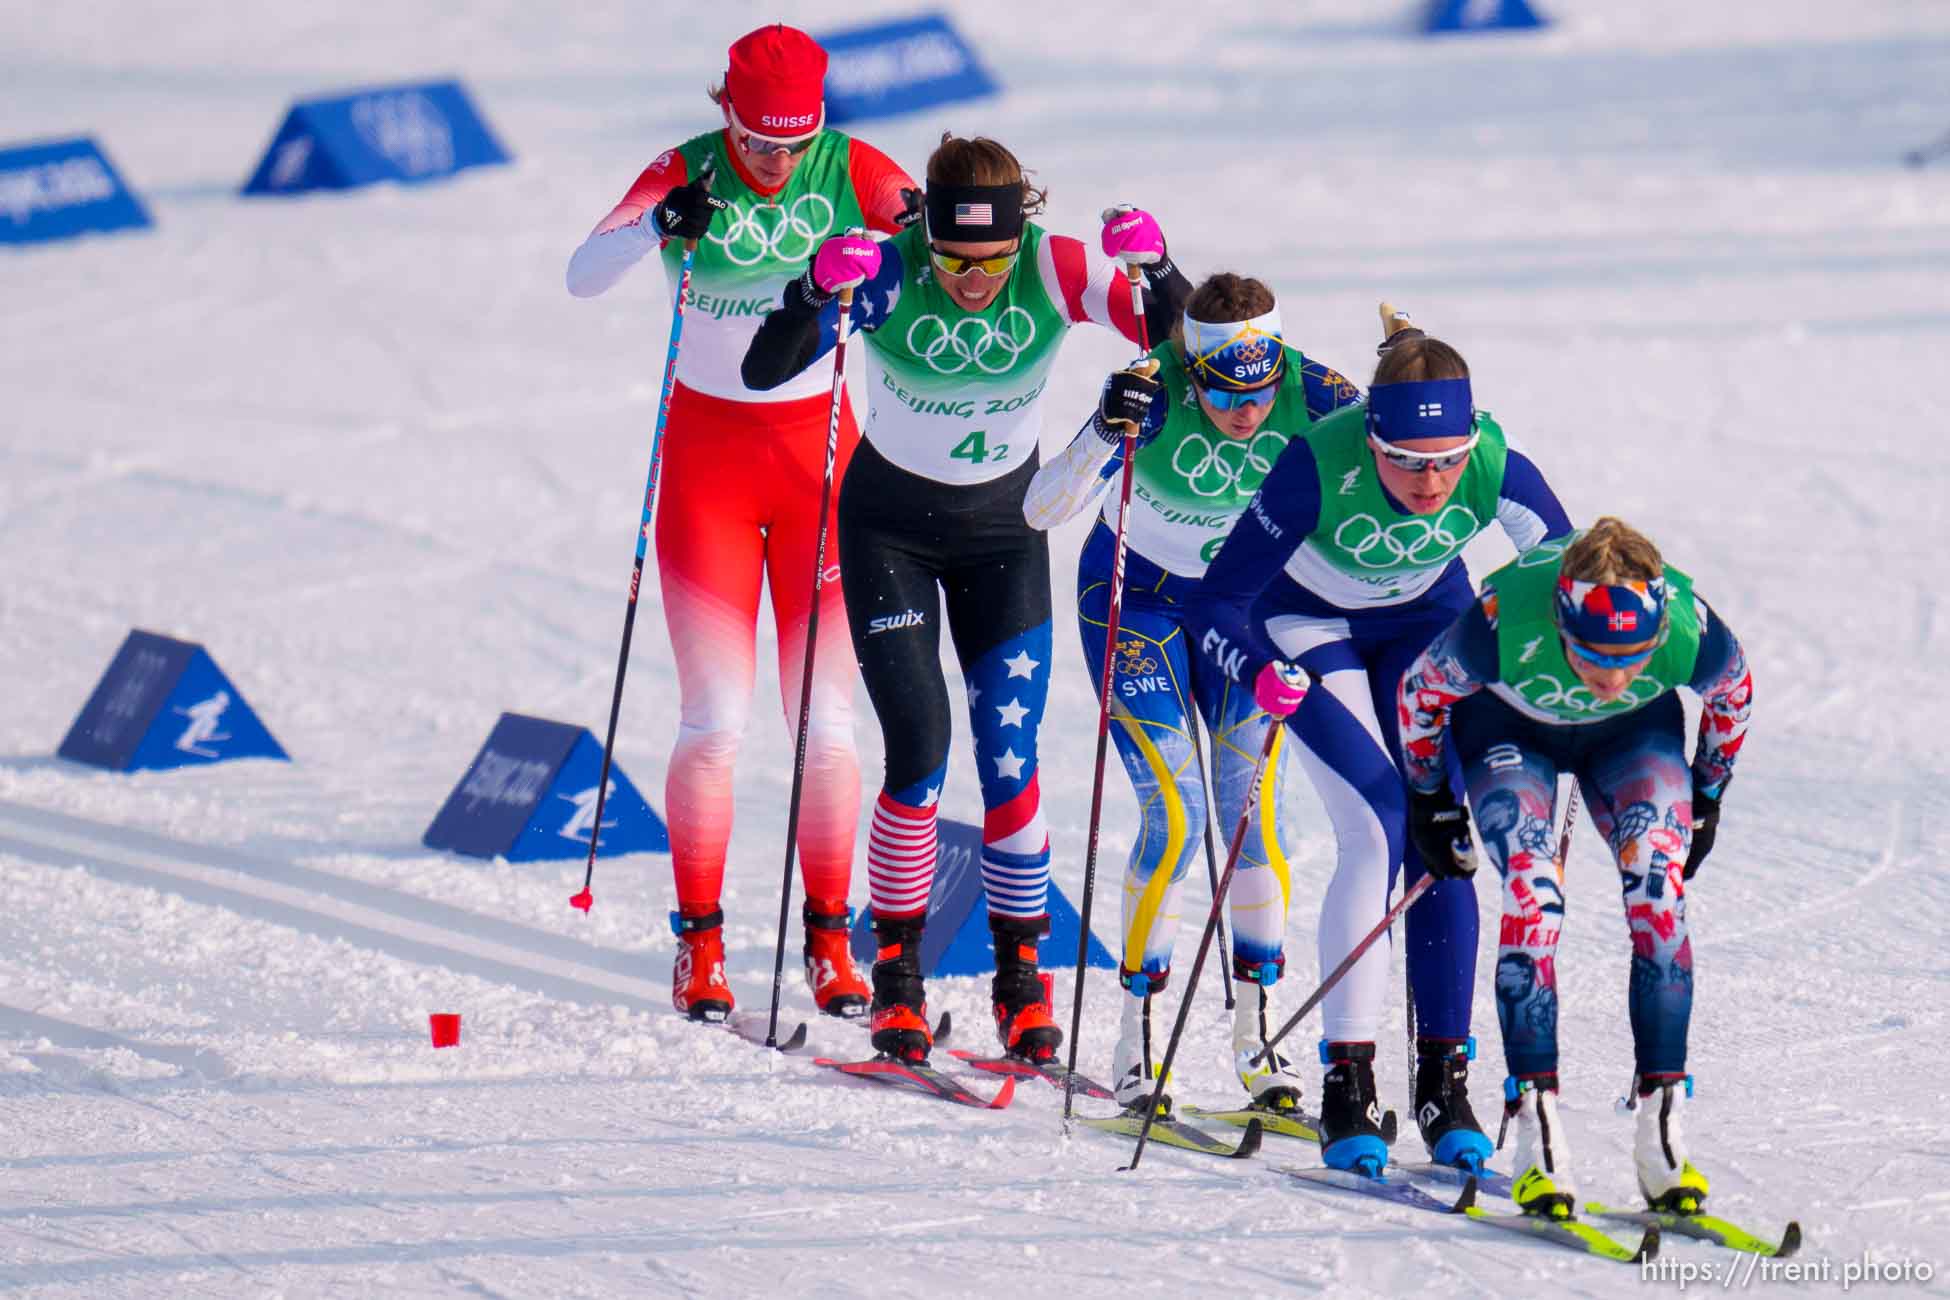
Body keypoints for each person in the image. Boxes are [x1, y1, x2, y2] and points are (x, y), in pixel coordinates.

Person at [742, 132, 1189, 1064]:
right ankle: (897, 981)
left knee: (1012, 764)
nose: (973, 278)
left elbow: (1181, 346)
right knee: (920, 751)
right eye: (953, 258)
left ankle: (1020, 987)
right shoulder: (891, 270)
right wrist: (814, 290)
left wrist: (1158, 269)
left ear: (1020, 232)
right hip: (888, 533)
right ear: (927, 234)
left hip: (1006, 534)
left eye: (990, 260)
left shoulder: (1057, 268)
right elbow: (764, 369)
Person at [565, 24, 920, 1024]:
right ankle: (701, 943)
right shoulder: (683, 167)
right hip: (709, 471)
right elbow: (581, 274)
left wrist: (904, 236)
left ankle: (832, 941)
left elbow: (932, 236)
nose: (775, 164)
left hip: (821, 466)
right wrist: (655, 224)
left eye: (792, 145)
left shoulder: (847, 165)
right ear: (727, 111)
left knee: (828, 726)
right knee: (717, 723)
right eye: (759, 143)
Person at [1185, 308, 1572, 1172]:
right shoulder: (1313, 465)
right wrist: (1255, 673)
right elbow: (1213, 603)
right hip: (1307, 624)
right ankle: (1346, 1086)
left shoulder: (1497, 462)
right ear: (1371, 441)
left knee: (1444, 833)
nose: (1429, 484)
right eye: (1402, 463)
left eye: (1445, 463)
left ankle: (1444, 1081)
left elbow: (1562, 567)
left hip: (1422, 622)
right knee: (1377, 819)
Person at [1022, 273, 1362, 1109]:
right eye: (1223, 392)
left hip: (1244, 613)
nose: (1246, 411)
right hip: (1138, 602)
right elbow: (1041, 509)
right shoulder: (1152, 387)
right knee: (1173, 820)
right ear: (1189, 363)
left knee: (1253, 818)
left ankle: (1258, 1038)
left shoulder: (1318, 393)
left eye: (1260, 390)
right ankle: (1135, 1037)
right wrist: (1106, 432)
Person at [1396, 517, 1751, 1218]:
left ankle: (1661, 1131)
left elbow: (1734, 695)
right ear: (1560, 619)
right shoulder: (1502, 620)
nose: (1612, 675)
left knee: (1659, 894)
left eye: (1633, 656)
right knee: (1533, 895)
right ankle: (1537, 1130)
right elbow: (1421, 694)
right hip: (1509, 730)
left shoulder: (1688, 627)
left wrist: (1708, 793)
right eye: (1591, 654)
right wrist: (1431, 799)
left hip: (1631, 736)